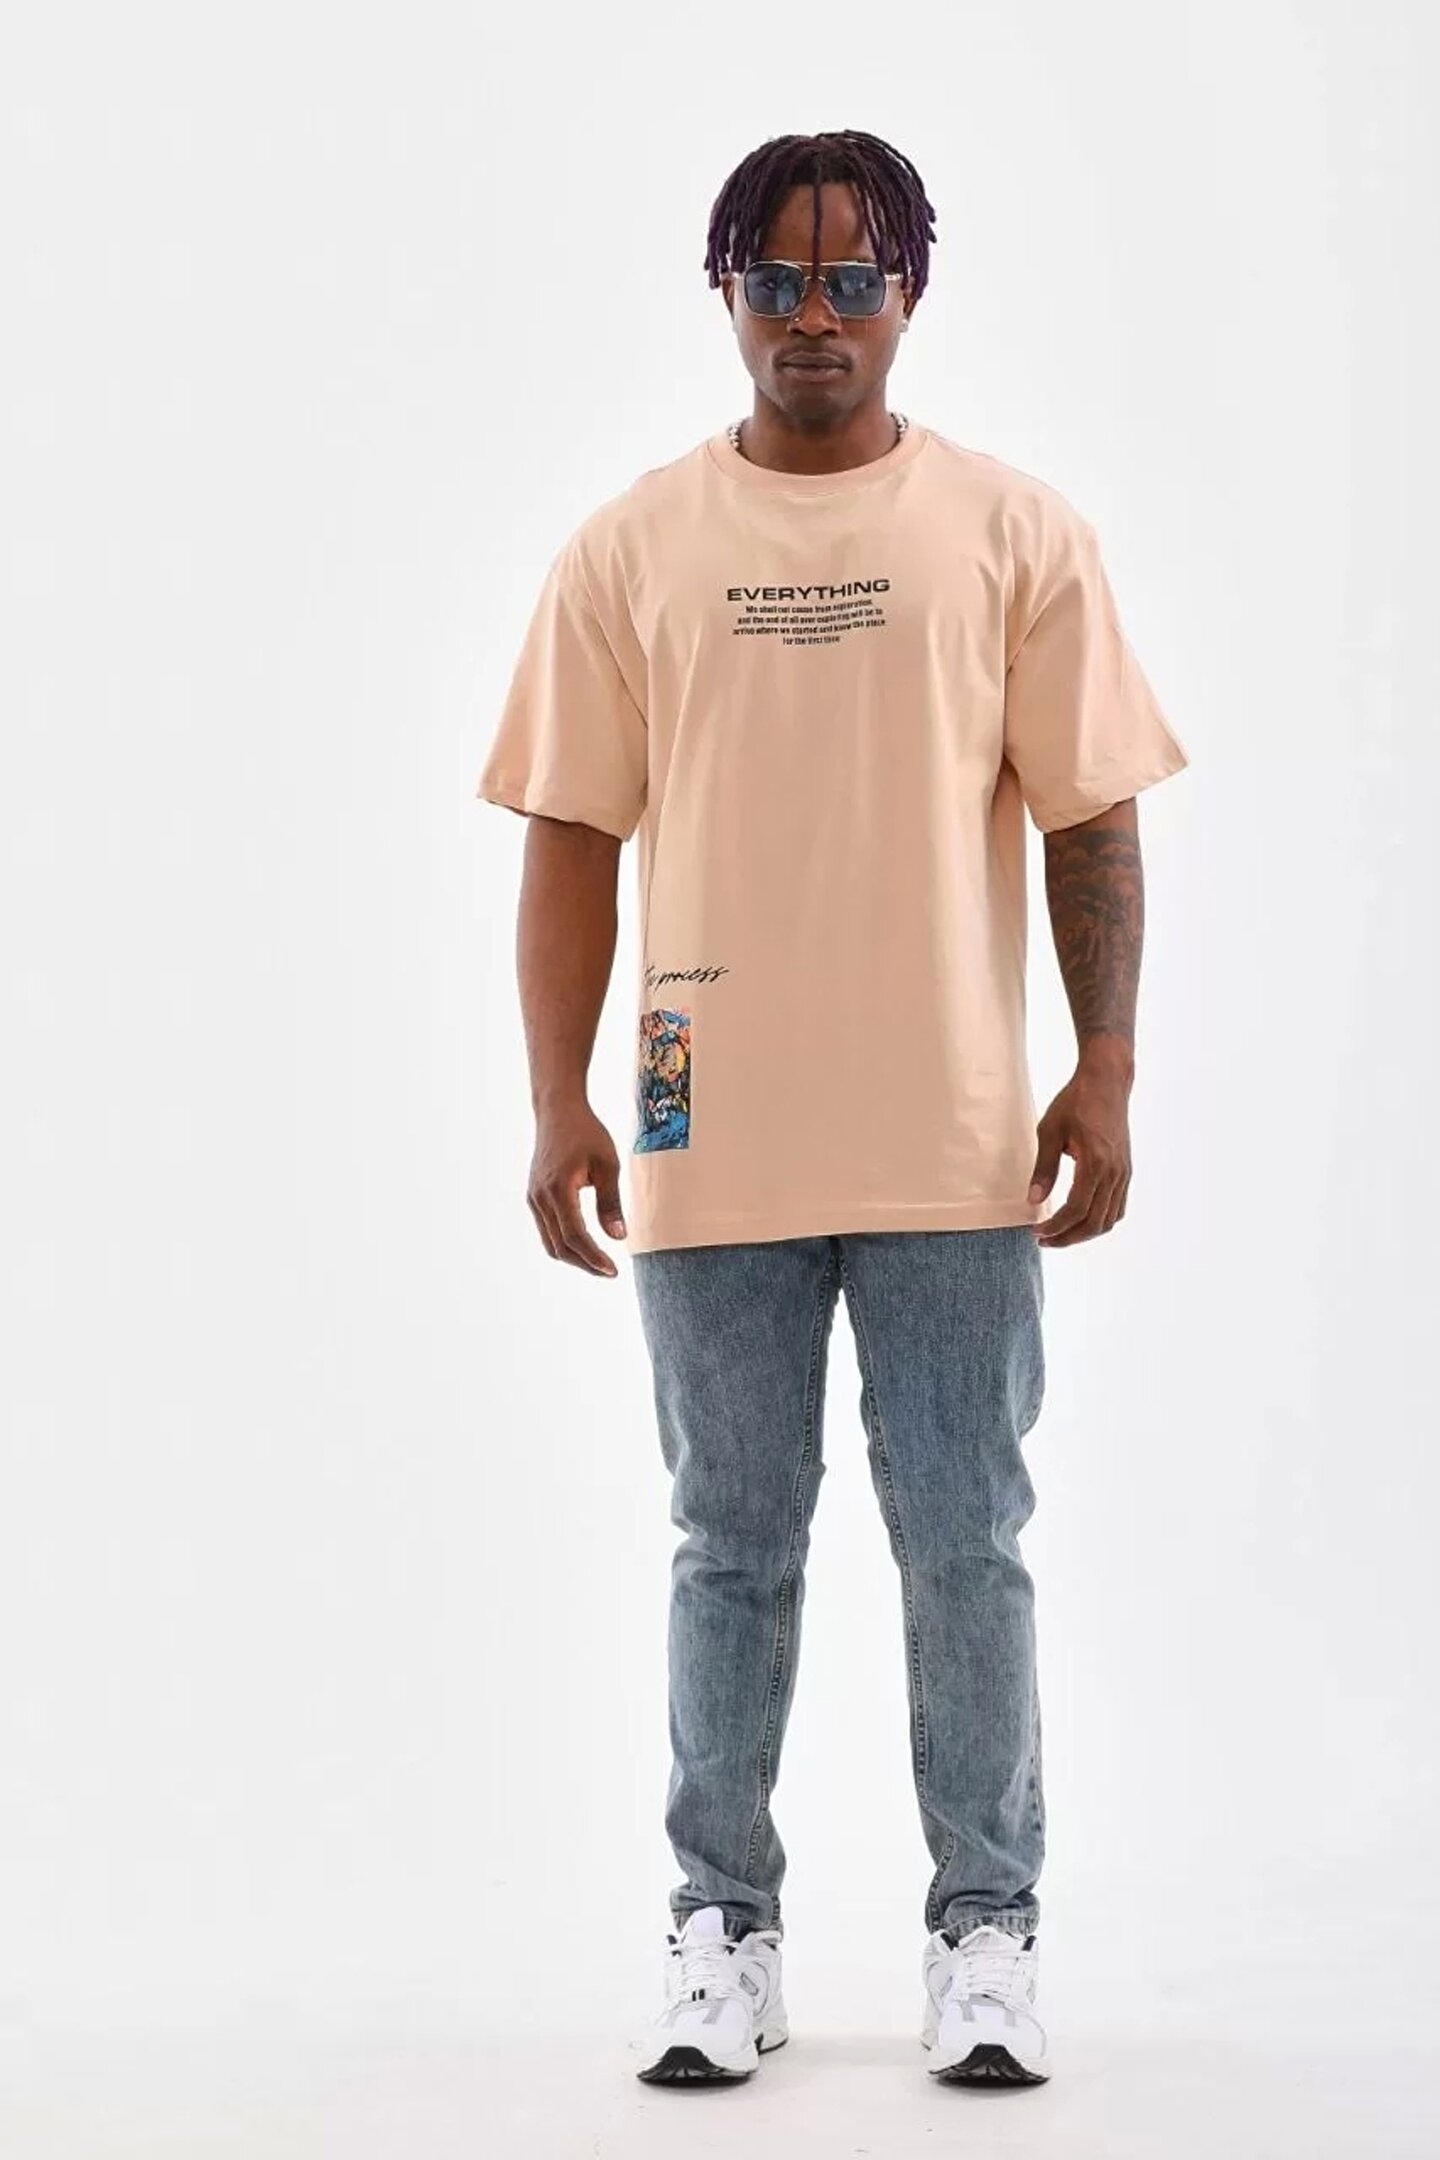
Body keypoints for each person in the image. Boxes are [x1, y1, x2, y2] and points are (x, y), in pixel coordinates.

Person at [475, 127, 1189, 2091]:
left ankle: (987, 1933)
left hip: (955, 1135)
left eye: (851, 279)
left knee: (965, 1539)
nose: (814, 316)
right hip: (704, 1125)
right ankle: (723, 1930)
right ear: (724, 292)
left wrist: (1107, 1065)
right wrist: (555, 1096)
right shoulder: (632, 546)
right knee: (731, 1541)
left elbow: (1092, 814)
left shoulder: (1012, 532)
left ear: (907, 292)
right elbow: (570, 833)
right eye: (776, 280)